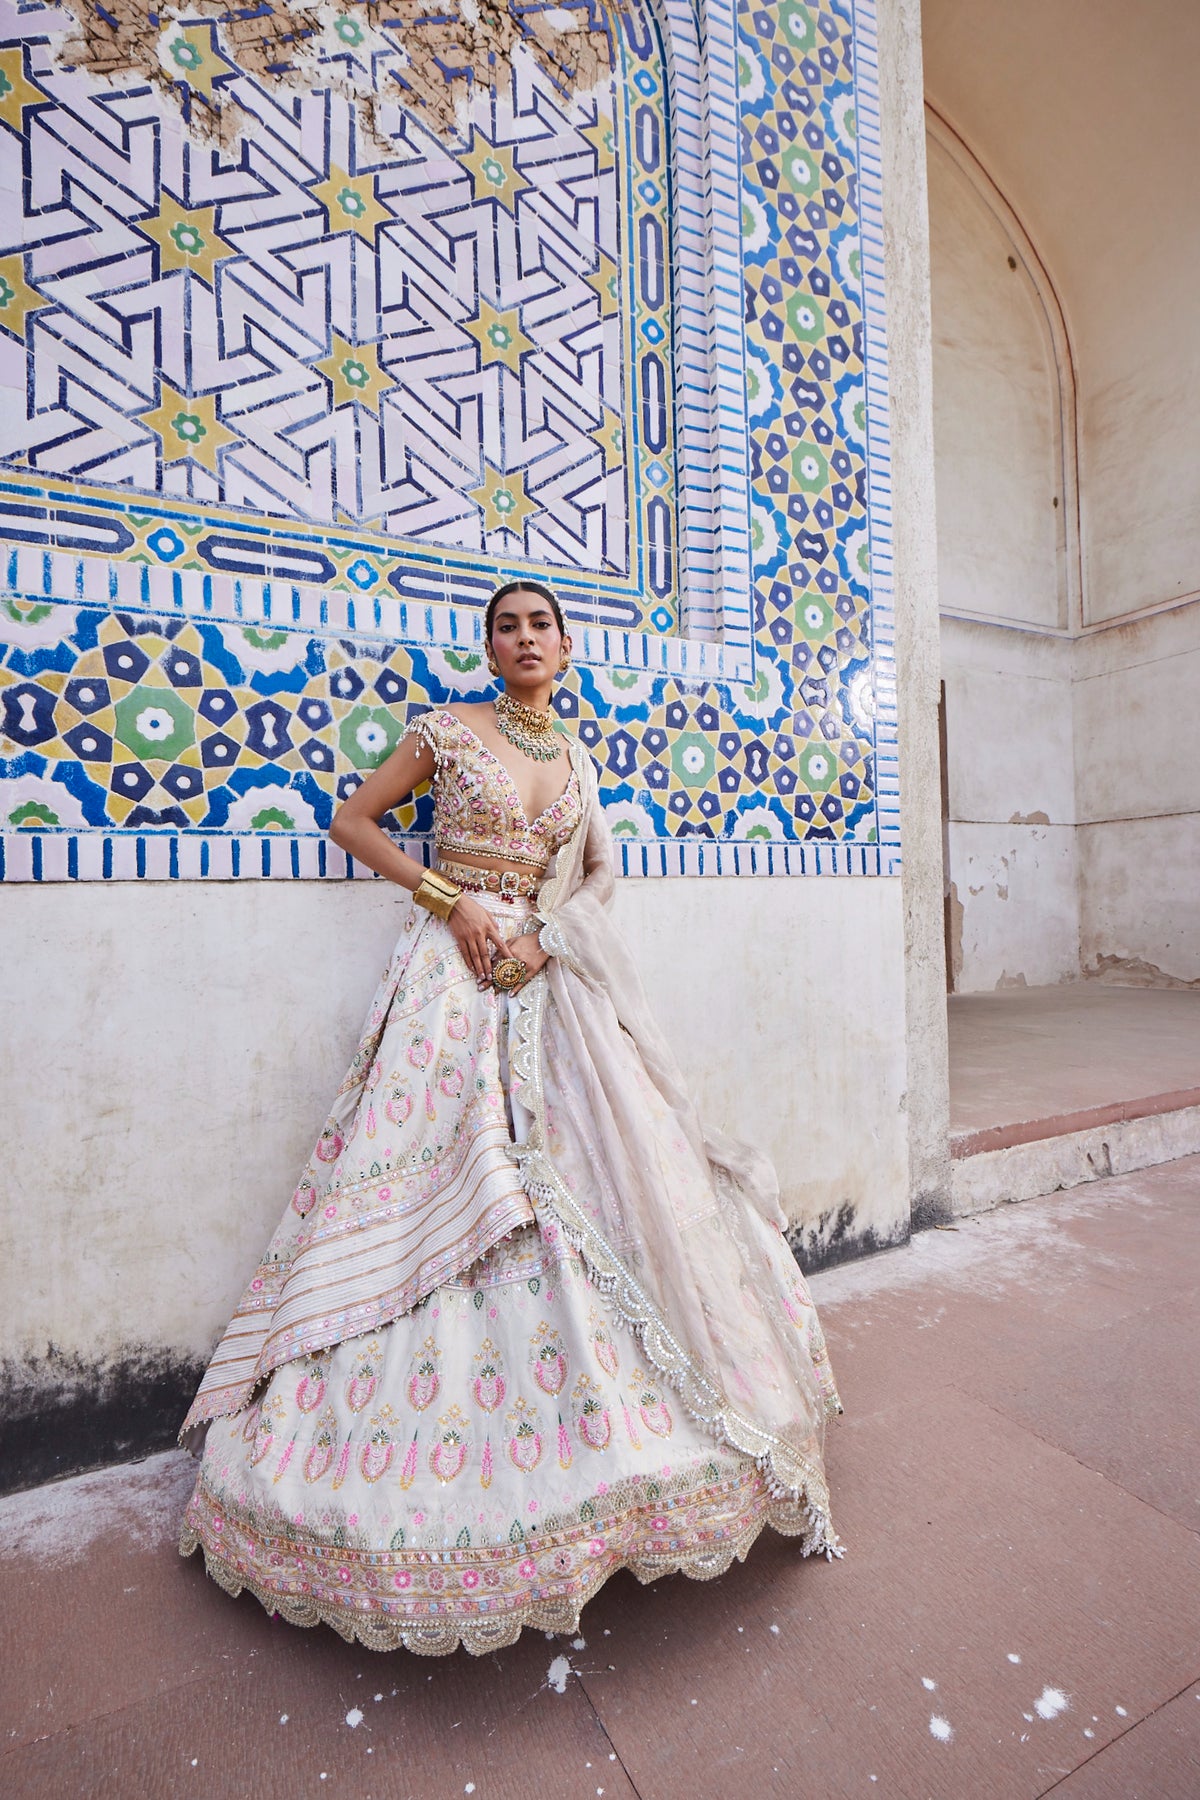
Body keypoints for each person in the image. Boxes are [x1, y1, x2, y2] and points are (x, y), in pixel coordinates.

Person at [179, 580, 842, 1655]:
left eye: (540, 625)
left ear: (567, 646)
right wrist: (460, 906)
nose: (524, 639)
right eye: (506, 626)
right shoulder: (447, 732)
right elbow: (353, 821)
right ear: (487, 647)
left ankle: (623, 1451)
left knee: (604, 1185)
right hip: (449, 982)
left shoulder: (579, 759)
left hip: (552, 980)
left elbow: (597, 880)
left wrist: (545, 934)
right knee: (441, 1189)